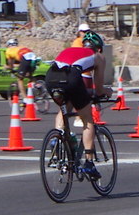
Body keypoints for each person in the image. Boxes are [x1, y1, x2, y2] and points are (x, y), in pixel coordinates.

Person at [45, 31, 112, 180]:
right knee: (87, 119)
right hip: (71, 77)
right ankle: (89, 163)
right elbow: (99, 89)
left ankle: (57, 138)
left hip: (51, 77)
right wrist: (106, 92)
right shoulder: (98, 57)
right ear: (99, 48)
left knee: (64, 110)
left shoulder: (71, 49)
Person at [71, 23, 93, 127]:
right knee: (80, 97)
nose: (85, 33)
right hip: (81, 73)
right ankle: (79, 118)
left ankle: (82, 117)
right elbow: (79, 56)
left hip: (87, 73)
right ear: (79, 32)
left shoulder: (88, 41)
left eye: (87, 31)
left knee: (85, 97)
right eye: (84, 31)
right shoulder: (78, 42)